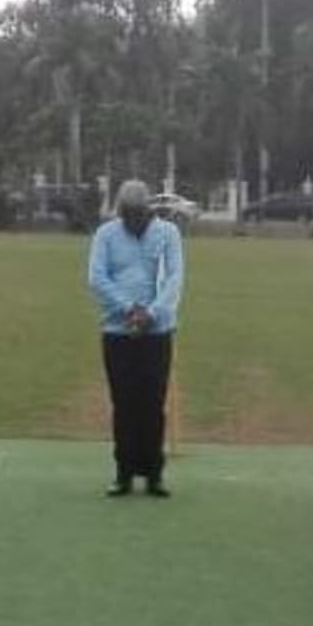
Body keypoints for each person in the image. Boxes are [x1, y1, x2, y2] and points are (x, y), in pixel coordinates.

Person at [87, 180, 185, 498]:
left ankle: (154, 474)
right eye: (127, 217)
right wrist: (128, 309)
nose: (133, 222)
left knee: (152, 404)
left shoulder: (168, 234)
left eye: (138, 216)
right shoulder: (106, 235)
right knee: (124, 403)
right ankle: (123, 473)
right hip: (118, 331)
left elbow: (174, 277)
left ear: (148, 212)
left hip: (157, 332)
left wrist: (152, 313)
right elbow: (97, 277)